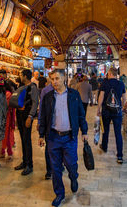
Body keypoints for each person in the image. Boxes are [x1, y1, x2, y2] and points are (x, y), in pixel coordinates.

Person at [39, 69, 88, 207]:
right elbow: (43, 117)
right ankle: (59, 194)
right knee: (55, 168)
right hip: (53, 137)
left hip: (69, 137)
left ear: (64, 78)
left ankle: (73, 177)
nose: (54, 82)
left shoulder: (74, 95)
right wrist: (41, 135)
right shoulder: (48, 97)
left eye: (57, 78)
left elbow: (80, 114)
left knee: (71, 163)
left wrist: (84, 131)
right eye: (52, 79)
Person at [97, 67, 126, 164]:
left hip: (106, 111)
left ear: (110, 74)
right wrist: (122, 107)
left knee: (105, 130)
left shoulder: (105, 83)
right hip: (117, 112)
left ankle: (104, 147)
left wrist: (98, 108)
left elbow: (101, 96)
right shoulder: (121, 83)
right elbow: (124, 97)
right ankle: (120, 156)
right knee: (118, 133)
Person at [15, 69, 39, 176]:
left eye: (21, 74)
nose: (20, 76)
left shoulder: (33, 87)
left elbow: (35, 103)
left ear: (25, 76)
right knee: (23, 140)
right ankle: (24, 162)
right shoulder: (21, 86)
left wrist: (30, 116)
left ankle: (29, 164)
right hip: (20, 115)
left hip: (26, 116)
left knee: (27, 140)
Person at [38, 72, 54, 180]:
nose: (55, 81)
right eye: (53, 78)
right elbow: (41, 108)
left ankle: (56, 166)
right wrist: (40, 122)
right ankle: (49, 170)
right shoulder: (46, 91)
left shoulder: (66, 91)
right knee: (49, 148)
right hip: (49, 124)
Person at [1, 83, 15, 161]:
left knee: (7, 135)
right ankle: (2, 152)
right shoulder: (5, 94)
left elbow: (5, 105)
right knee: (2, 135)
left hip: (6, 117)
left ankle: (9, 153)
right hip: (3, 117)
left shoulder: (8, 94)